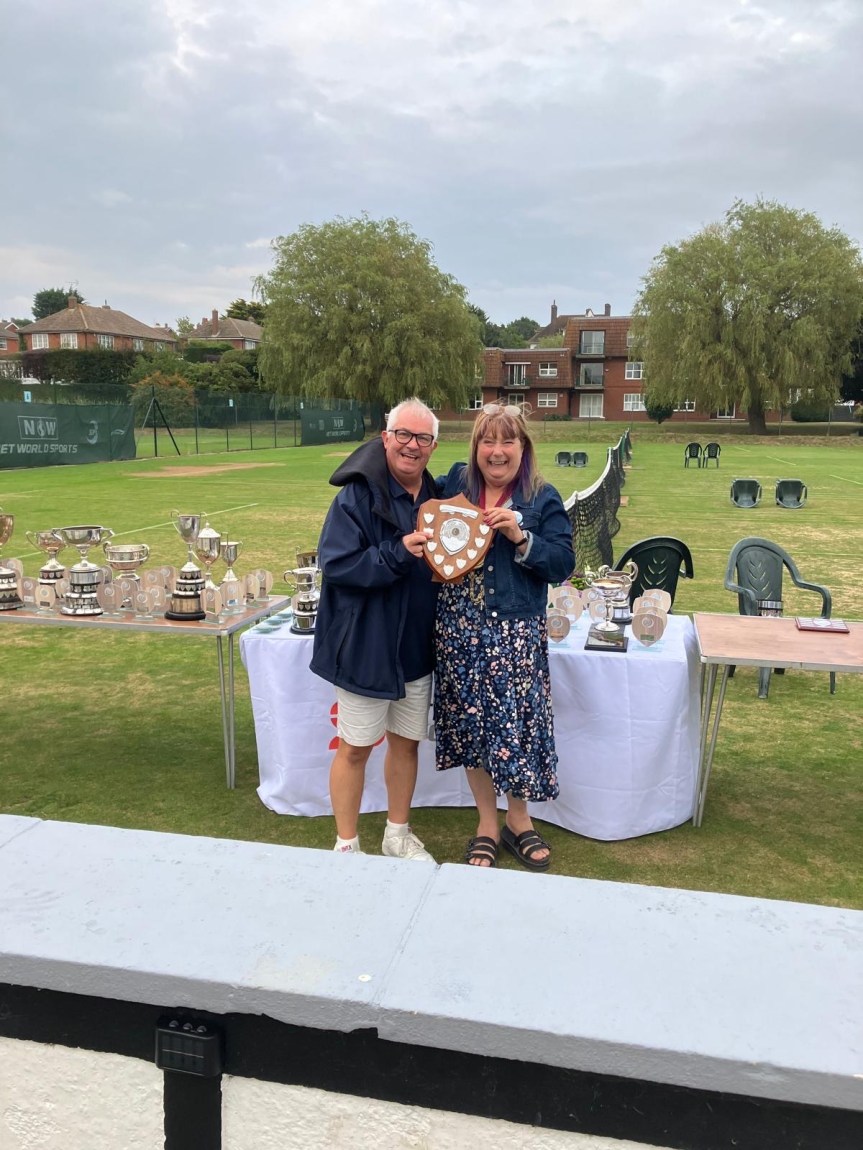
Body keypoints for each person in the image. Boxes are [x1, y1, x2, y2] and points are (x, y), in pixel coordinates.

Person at [433, 404, 575, 870]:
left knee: (514, 731)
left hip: (514, 634)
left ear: (523, 448)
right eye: (487, 441)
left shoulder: (541, 498)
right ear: (474, 449)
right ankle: (486, 823)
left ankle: (518, 819)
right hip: (459, 631)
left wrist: (521, 537)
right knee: (474, 731)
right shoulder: (456, 485)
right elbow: (420, 505)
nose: (497, 451)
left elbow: (562, 564)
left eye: (507, 441)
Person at [310, 398, 440, 860]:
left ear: (433, 446)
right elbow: (339, 565)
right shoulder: (353, 498)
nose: (411, 445)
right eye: (403, 434)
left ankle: (397, 835)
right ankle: (346, 844)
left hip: (416, 650)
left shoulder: (438, 498)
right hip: (365, 647)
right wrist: (397, 553)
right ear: (385, 438)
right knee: (355, 749)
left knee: (406, 747)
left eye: (422, 438)